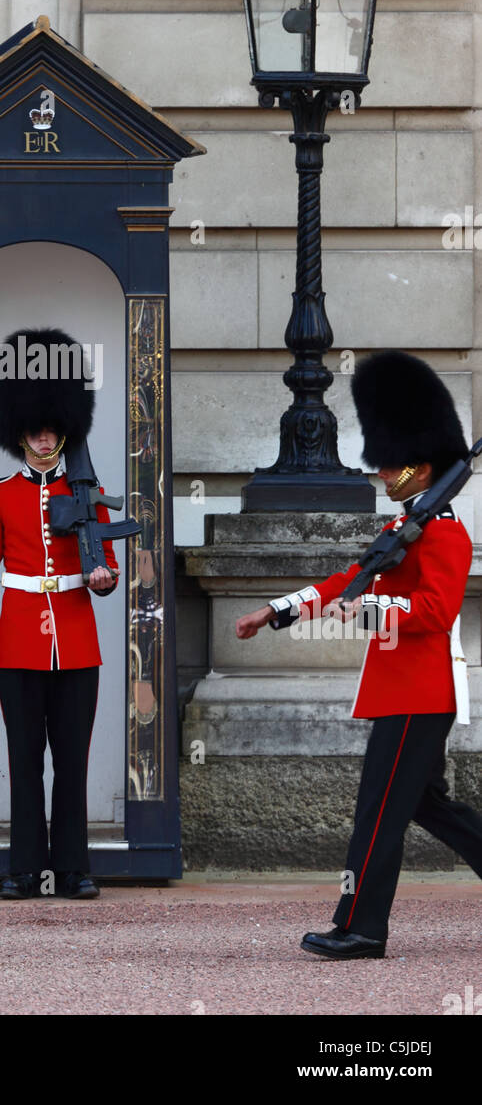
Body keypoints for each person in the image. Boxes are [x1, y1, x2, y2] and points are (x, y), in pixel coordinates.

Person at [236, 350, 482, 959]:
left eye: (390, 464)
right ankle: (361, 923)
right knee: (428, 807)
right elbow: (349, 578)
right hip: (405, 690)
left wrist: (367, 611)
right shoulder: (402, 531)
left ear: (420, 468)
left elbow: (435, 611)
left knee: (377, 816)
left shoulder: (445, 532)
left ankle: (362, 926)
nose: (381, 472)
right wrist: (280, 609)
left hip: (418, 695)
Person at [0, 326, 119, 900]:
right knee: (25, 761)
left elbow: (103, 563)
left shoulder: (87, 489)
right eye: (33, 429)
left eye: (52, 427)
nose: (42, 437)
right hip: (21, 642)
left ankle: (75, 868)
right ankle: (27, 869)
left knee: (72, 763)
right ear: (20, 433)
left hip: (77, 641)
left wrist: (102, 578)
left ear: (65, 429)